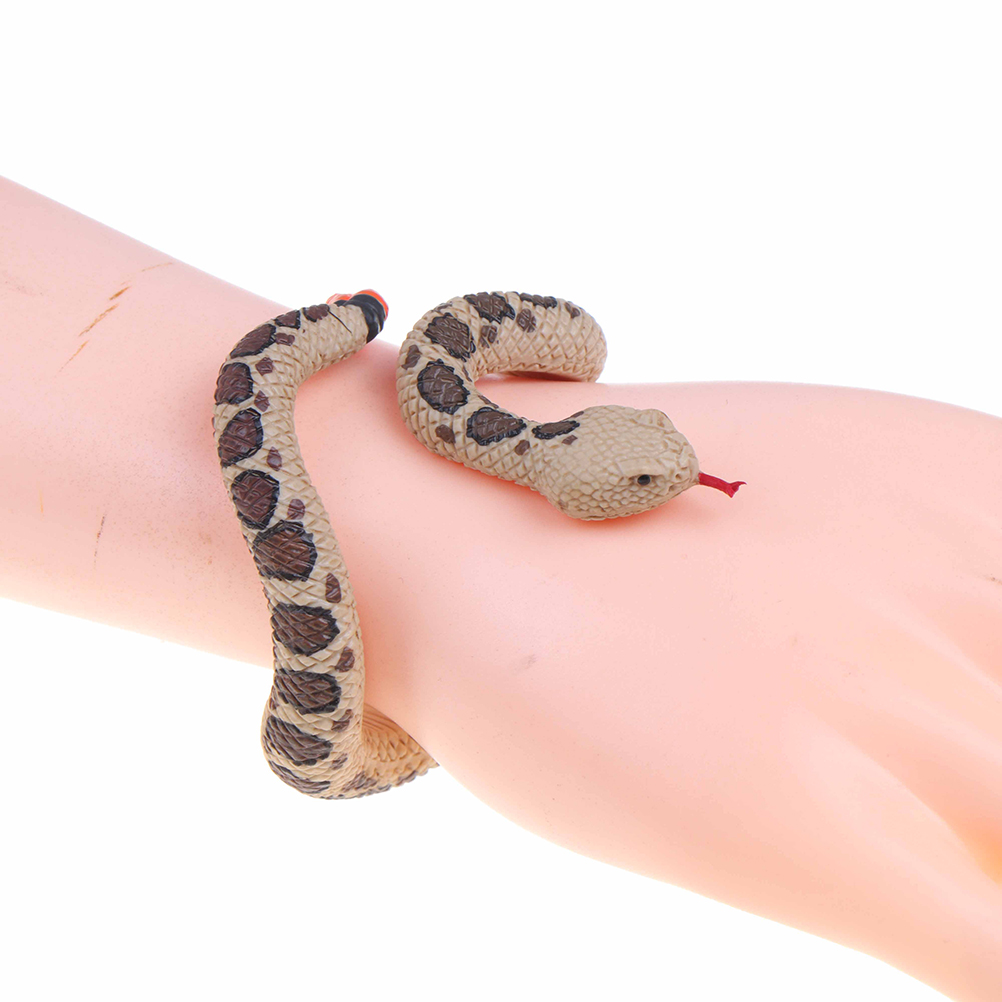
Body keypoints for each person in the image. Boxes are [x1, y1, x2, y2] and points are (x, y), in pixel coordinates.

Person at [2, 176, 1000, 1002]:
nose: (678, 476)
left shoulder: (483, 383)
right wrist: (443, 553)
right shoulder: (486, 422)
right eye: (643, 481)